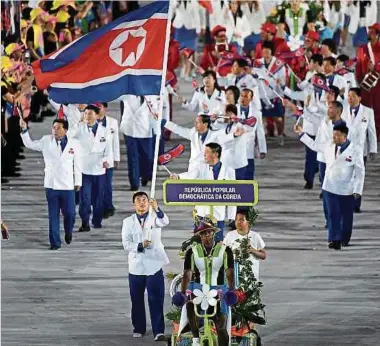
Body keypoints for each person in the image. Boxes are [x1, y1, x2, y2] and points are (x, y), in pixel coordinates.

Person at [297, 122, 365, 249]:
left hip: (346, 189)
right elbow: (314, 145)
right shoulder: (329, 145)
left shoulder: (355, 150)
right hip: (329, 187)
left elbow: (360, 172)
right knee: (333, 215)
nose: (334, 138)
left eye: (337, 136)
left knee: (346, 216)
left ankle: (344, 238)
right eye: (333, 136)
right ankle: (334, 239)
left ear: (345, 136)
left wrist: (358, 190)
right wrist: (302, 134)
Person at [19, 116, 82, 250]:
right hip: (51, 184)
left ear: (65, 130)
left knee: (70, 213)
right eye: (53, 128)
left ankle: (68, 231)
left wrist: (78, 181)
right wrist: (24, 130)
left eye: (58, 128)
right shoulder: (46, 140)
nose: (55, 130)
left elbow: (77, 164)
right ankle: (55, 242)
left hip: (67, 185)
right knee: (53, 214)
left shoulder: (74, 144)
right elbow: (30, 144)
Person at [176, 216, 235, 346]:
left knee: (221, 326)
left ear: (213, 233)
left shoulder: (226, 251)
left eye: (208, 232)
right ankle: (196, 339)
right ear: (200, 235)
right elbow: (187, 273)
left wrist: (232, 291)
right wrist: (182, 292)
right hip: (198, 288)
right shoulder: (192, 251)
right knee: (191, 304)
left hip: (219, 289)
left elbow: (229, 272)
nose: (206, 236)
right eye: (203, 233)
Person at [121, 192, 169, 342]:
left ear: (149, 202)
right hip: (136, 266)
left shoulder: (155, 217)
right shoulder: (128, 221)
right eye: (138, 200)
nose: (142, 203)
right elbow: (126, 243)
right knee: (136, 299)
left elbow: (165, 221)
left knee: (156, 298)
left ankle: (158, 330)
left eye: (144, 200)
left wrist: (158, 209)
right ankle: (139, 328)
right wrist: (140, 245)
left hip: (154, 264)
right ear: (134, 204)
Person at [171, 142, 236, 242]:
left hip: (218, 214)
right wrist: (178, 176)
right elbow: (191, 175)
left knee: (217, 241)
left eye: (207, 152)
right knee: (198, 241)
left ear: (215, 154)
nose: (204, 155)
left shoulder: (229, 171)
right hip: (202, 212)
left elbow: (233, 194)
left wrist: (232, 217)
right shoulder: (200, 167)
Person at [74, 104, 112, 231]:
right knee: (84, 198)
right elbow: (70, 139)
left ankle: (97, 220)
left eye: (90, 114)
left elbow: (108, 149)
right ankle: (85, 222)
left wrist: (106, 161)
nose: (87, 116)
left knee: (98, 197)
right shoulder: (79, 129)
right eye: (85, 114)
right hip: (84, 168)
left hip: (99, 168)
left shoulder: (105, 130)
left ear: (96, 115)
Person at [163, 114, 244, 172]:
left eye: (198, 122)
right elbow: (178, 129)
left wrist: (234, 133)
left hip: (207, 169)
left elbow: (226, 136)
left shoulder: (214, 135)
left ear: (205, 124)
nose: (195, 124)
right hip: (193, 169)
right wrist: (164, 122)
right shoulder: (192, 133)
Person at [341, 88, 377, 213]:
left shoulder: (367, 112)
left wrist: (373, 149)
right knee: (347, 176)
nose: (350, 98)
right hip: (345, 149)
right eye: (348, 96)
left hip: (361, 150)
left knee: (358, 176)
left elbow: (371, 132)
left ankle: (356, 204)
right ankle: (346, 201)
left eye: (353, 96)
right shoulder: (343, 111)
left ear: (359, 98)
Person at [120, 95, 156, 191]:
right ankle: (134, 183)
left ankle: (145, 176)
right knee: (133, 157)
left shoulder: (152, 95)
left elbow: (156, 111)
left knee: (148, 157)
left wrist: (156, 130)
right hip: (130, 130)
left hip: (145, 130)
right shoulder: (126, 94)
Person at [224, 210, 266, 281]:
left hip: (251, 279)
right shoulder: (230, 235)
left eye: (241, 220)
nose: (238, 222)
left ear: (248, 222)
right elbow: (224, 253)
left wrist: (252, 250)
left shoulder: (255, 236)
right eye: (236, 219)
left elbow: (263, 255)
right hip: (235, 278)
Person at [95, 103, 120, 219]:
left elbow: (115, 142)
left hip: (108, 159)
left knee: (106, 185)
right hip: (93, 160)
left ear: (104, 108)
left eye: (99, 107)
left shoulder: (113, 122)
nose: (97, 110)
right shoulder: (88, 122)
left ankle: (108, 207)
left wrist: (116, 158)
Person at [355, 23, 380, 138]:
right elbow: (358, 66)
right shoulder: (362, 49)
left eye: (372, 32)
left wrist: (375, 68)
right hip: (366, 85)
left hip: (378, 85)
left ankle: (377, 135)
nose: (369, 34)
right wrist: (359, 82)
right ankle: (367, 134)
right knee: (365, 109)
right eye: (369, 31)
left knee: (378, 110)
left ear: (377, 35)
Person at [236, 88, 267, 179]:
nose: (243, 98)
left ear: (251, 98)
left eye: (246, 96)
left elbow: (260, 132)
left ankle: (247, 193)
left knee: (248, 175)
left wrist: (263, 150)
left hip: (249, 148)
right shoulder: (233, 110)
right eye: (241, 96)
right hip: (235, 148)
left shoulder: (256, 113)